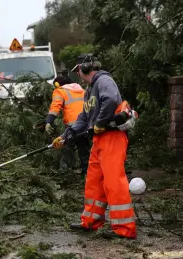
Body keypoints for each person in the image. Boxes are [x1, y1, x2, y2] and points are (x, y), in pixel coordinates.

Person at [52, 54, 137, 239]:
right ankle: (91, 221)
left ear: (85, 68)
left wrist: (100, 122)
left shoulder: (103, 81)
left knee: (114, 182)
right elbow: (83, 117)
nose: (78, 75)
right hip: (99, 140)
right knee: (94, 181)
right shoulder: (89, 89)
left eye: (78, 70)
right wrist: (66, 135)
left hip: (112, 137)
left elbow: (112, 100)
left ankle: (125, 229)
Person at [45, 75, 90, 175]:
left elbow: (55, 107)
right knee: (84, 147)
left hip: (73, 125)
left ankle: (65, 172)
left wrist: (49, 122)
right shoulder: (80, 89)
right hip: (86, 123)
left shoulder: (60, 90)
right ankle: (86, 170)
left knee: (67, 146)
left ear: (57, 84)